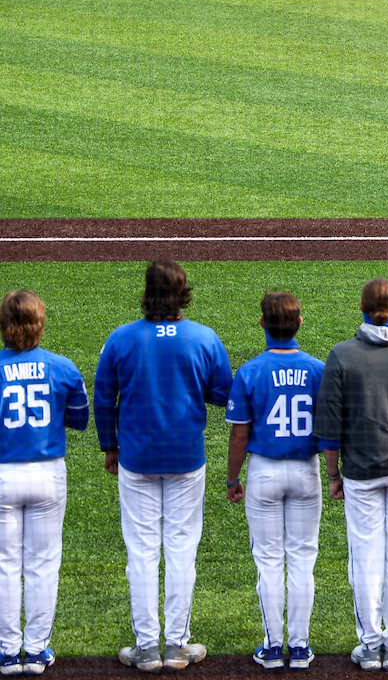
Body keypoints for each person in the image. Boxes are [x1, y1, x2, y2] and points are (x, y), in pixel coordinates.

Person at [94, 260, 232, 673]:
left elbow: (104, 400)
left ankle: (145, 647)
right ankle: (176, 645)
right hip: (186, 458)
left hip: (136, 458)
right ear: (184, 292)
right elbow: (224, 394)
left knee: (141, 552)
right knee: (181, 550)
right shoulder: (204, 338)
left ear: (147, 291)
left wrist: (109, 447)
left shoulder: (121, 339)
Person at [313, 278, 388, 672]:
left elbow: (329, 427)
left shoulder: (342, 355)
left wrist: (333, 474)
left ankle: (370, 644)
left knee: (364, 556)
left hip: (360, 471)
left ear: (361, 307)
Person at [225, 292, 325, 671]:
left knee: (268, 560)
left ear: (263, 324)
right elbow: (330, 429)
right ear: (299, 322)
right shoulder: (318, 369)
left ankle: (272, 646)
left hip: (263, 471)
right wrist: (333, 472)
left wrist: (233, 478)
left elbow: (238, 436)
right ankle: (299, 647)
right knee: (302, 559)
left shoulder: (250, 371)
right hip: (305, 470)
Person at [0, 291, 88, 677]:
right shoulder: (63, 367)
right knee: (42, 564)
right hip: (47, 474)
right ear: (40, 323)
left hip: (2, 474)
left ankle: (7, 651)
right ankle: (35, 651)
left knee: (5, 566)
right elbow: (80, 420)